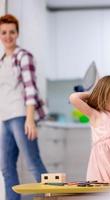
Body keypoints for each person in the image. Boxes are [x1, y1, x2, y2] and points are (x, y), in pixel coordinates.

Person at [0, 14, 47, 200]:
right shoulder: (2, 60)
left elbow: (30, 89)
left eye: (12, 32)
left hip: (21, 116)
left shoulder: (23, 57)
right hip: (5, 118)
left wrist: (30, 119)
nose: (8, 36)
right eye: (3, 32)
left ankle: (51, 197)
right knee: (6, 167)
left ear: (17, 34)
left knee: (33, 163)